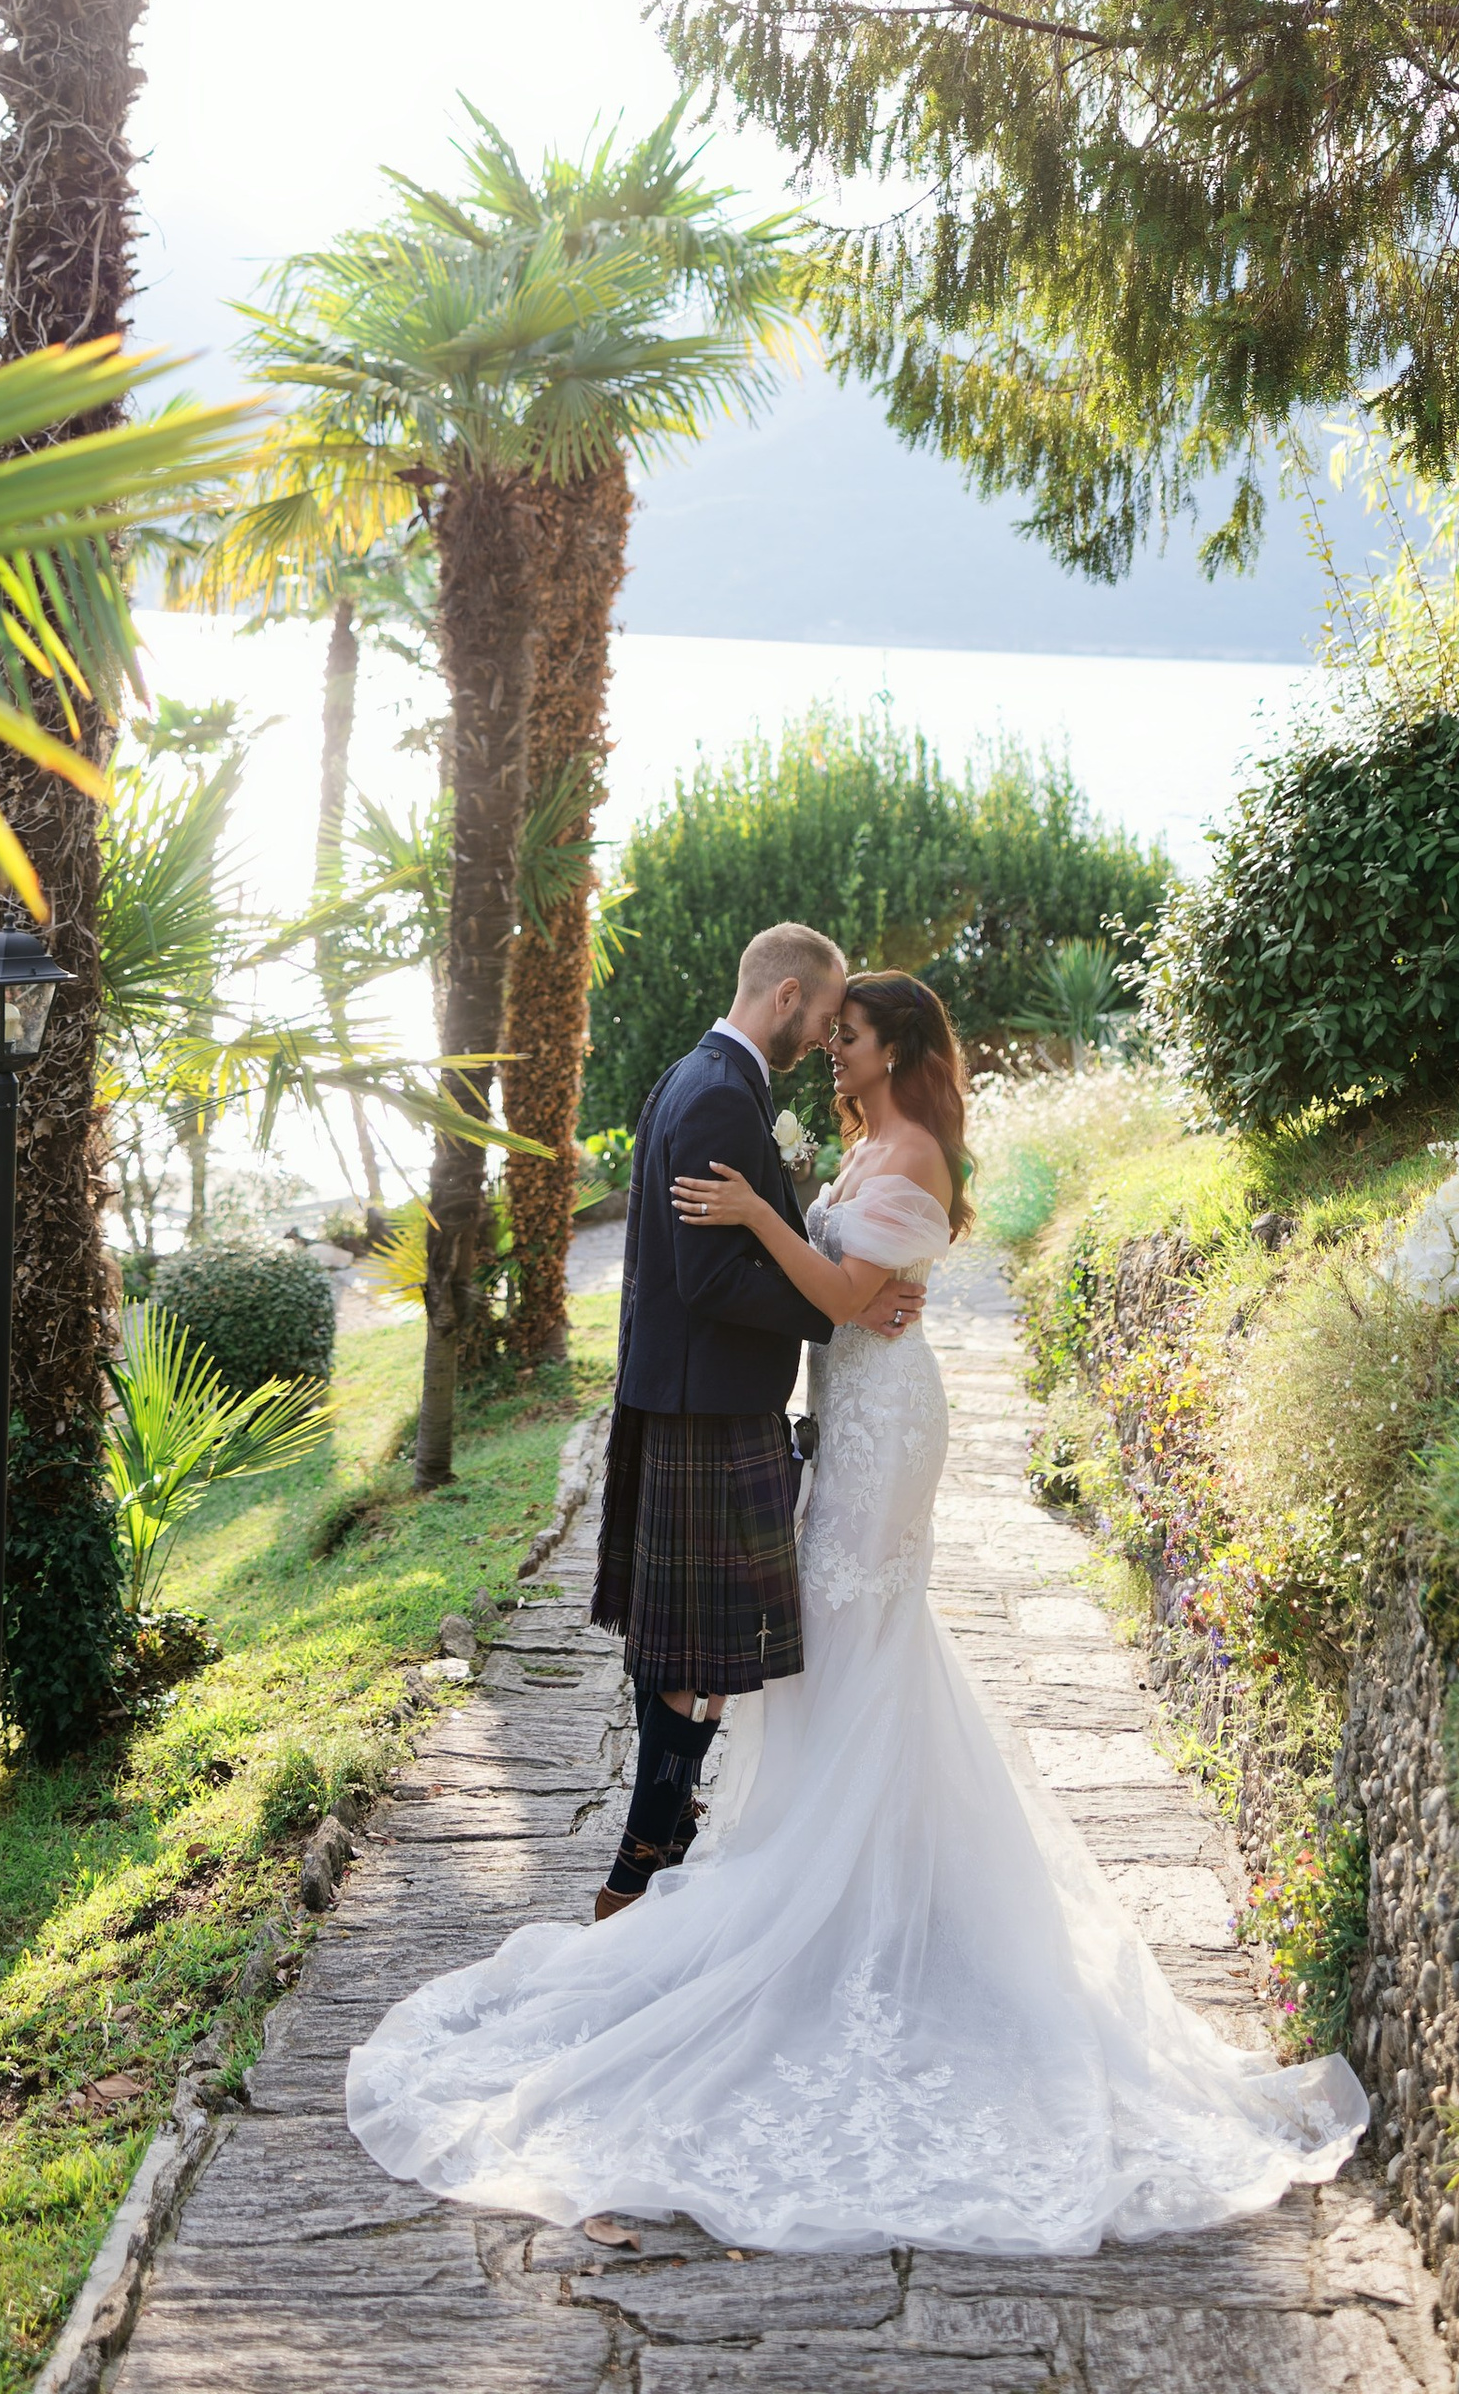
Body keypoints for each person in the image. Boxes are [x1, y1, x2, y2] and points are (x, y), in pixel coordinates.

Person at [344, 966, 1369, 2256]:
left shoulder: (918, 1151)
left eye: (849, 1037)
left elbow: (838, 1300)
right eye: (826, 1033)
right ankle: (846, 1872)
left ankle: (857, 1897)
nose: (831, 1054)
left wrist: (755, 1218)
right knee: (838, 1647)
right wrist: (792, 1223)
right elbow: (846, 1285)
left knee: (854, 1633)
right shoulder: (864, 1142)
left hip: (887, 1426)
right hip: (853, 1411)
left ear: (898, 1047)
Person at [586, 921, 925, 1917]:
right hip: (707, 1404)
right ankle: (639, 1860)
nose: (825, 1038)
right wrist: (838, 1307)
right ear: (785, 999)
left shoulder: (695, 1079)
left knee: (696, 1645)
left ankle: (663, 1830)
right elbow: (706, 1277)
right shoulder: (723, 1098)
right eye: (823, 1018)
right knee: (694, 1651)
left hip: (691, 1396)